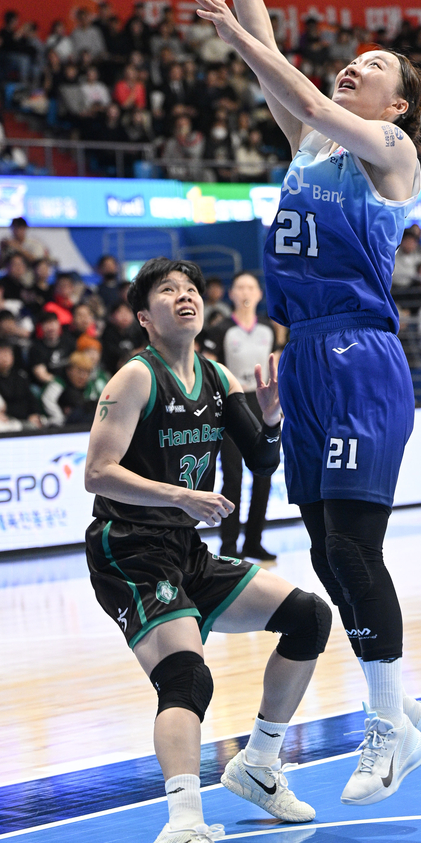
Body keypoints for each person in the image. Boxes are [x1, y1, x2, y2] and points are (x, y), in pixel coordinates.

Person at [187, 0, 421, 807]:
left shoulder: (393, 150)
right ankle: (402, 707)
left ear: (396, 102)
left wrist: (235, 38)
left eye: (373, 65)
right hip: (305, 361)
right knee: (328, 557)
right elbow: (273, 56)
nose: (353, 65)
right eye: (352, 58)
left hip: (361, 357)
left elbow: (293, 87)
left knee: (354, 548)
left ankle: (388, 730)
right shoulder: (308, 149)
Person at [84, 258, 332, 841]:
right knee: (187, 678)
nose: (184, 296)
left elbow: (263, 459)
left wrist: (271, 419)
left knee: (309, 617)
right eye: (167, 290)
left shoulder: (219, 377)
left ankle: (259, 765)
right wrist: (179, 495)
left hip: (184, 548)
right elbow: (97, 472)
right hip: (129, 549)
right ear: (145, 318)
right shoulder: (135, 378)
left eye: (191, 288)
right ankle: (184, 821)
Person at [215, 271, 279, 561]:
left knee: (264, 474)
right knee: (233, 476)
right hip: (232, 403)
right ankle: (229, 547)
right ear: (231, 293)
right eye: (239, 287)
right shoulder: (221, 329)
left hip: (263, 403)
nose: (245, 292)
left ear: (259, 294)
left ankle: (254, 541)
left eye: (250, 287)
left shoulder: (268, 328)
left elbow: (275, 368)